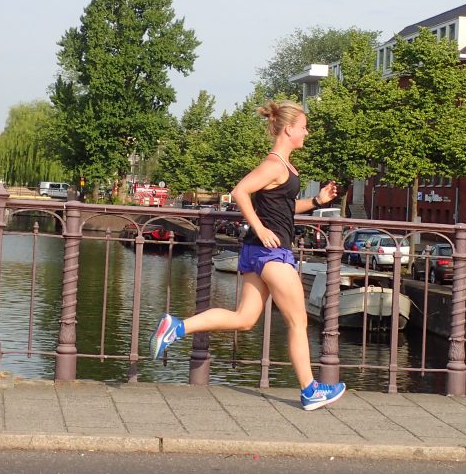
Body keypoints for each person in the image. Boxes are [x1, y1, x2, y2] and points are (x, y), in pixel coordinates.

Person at [148, 100, 345, 411]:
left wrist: (316, 201)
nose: (307, 133)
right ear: (290, 129)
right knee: (298, 321)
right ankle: (310, 390)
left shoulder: (285, 166)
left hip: (256, 251)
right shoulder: (275, 164)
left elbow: (282, 208)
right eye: (304, 127)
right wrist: (261, 228)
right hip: (271, 252)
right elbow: (240, 191)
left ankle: (177, 327)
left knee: (244, 319)